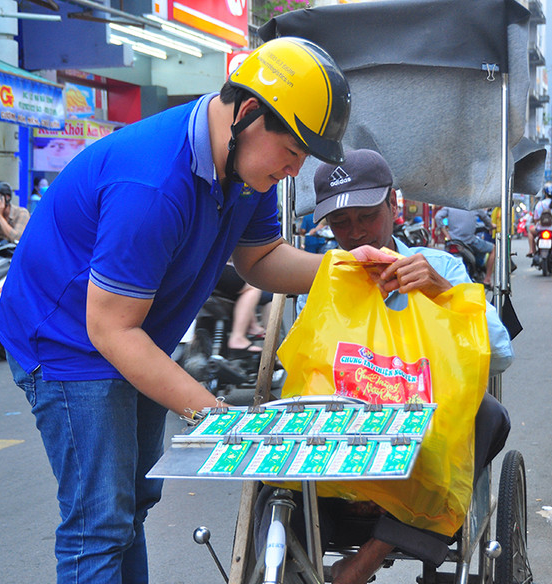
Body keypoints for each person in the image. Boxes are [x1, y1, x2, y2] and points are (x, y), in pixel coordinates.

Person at [0, 38, 353, 583]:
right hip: (69, 343)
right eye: (293, 151)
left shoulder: (243, 167)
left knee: (131, 506)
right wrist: (217, 418)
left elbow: (259, 260)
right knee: (99, 525)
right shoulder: (153, 183)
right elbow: (110, 329)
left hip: (134, 336)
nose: (295, 170)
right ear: (250, 114)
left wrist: (349, 271)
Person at [261, 149, 514, 584]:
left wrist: (443, 293)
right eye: (340, 223)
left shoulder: (443, 265)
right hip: (345, 424)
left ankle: (369, 557)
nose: (355, 233)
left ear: (393, 206)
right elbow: (306, 366)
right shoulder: (323, 276)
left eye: (367, 216)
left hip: (421, 435)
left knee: (487, 415)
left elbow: (501, 354)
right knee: (273, 461)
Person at [215, 261, 266, 355]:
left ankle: (252, 326)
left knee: (240, 286)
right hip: (209, 269)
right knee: (252, 286)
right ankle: (238, 337)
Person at [434, 206, 496, 283]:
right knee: (493, 248)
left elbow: (437, 217)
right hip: (470, 241)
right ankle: (487, 279)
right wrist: (492, 226)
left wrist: (446, 234)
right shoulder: (474, 206)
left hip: (453, 241)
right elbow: (486, 219)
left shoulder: (450, 205)